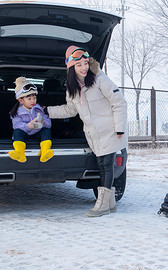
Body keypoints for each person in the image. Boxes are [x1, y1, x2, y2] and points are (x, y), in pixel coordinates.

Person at [46, 45, 128, 217]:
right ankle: (110, 203)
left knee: (106, 165)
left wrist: (119, 128)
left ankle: (103, 204)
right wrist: (47, 111)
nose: (84, 68)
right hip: (93, 133)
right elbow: (70, 110)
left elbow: (119, 102)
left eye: (85, 63)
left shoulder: (100, 79)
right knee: (101, 165)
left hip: (111, 130)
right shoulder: (72, 88)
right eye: (79, 65)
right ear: (71, 68)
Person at [9, 77, 54, 163]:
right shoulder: (16, 112)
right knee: (17, 132)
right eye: (29, 99)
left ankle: (45, 151)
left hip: (38, 132)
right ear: (21, 100)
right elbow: (16, 125)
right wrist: (28, 126)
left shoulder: (39, 109)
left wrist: (43, 123)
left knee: (46, 131)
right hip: (25, 133)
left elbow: (48, 122)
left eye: (34, 98)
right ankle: (19, 153)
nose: (33, 101)